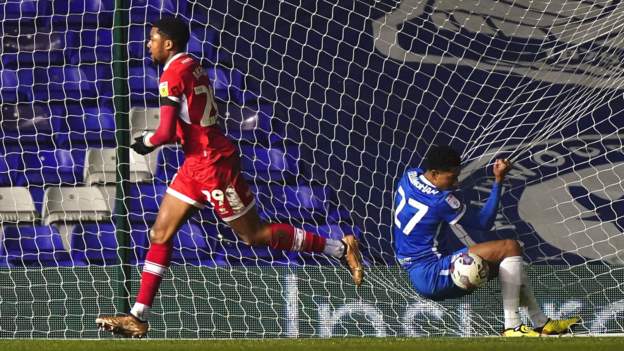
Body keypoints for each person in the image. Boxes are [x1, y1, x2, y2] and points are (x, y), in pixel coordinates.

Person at [96, 17, 363, 338]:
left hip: (213, 166)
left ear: (168, 44)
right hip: (196, 163)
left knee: (255, 235)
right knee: (160, 234)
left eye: (152, 38)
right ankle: (137, 315)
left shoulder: (171, 74)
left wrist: (145, 142)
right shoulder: (191, 64)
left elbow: (166, 131)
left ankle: (339, 248)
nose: (148, 44)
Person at [393, 145, 579, 336]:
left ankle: (541, 323)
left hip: (416, 266)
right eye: (451, 177)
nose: (456, 182)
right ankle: (512, 327)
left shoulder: (410, 175)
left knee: (509, 263)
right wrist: (499, 180)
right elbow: (484, 222)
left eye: (458, 175)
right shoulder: (442, 201)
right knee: (510, 247)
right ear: (434, 173)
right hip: (431, 272)